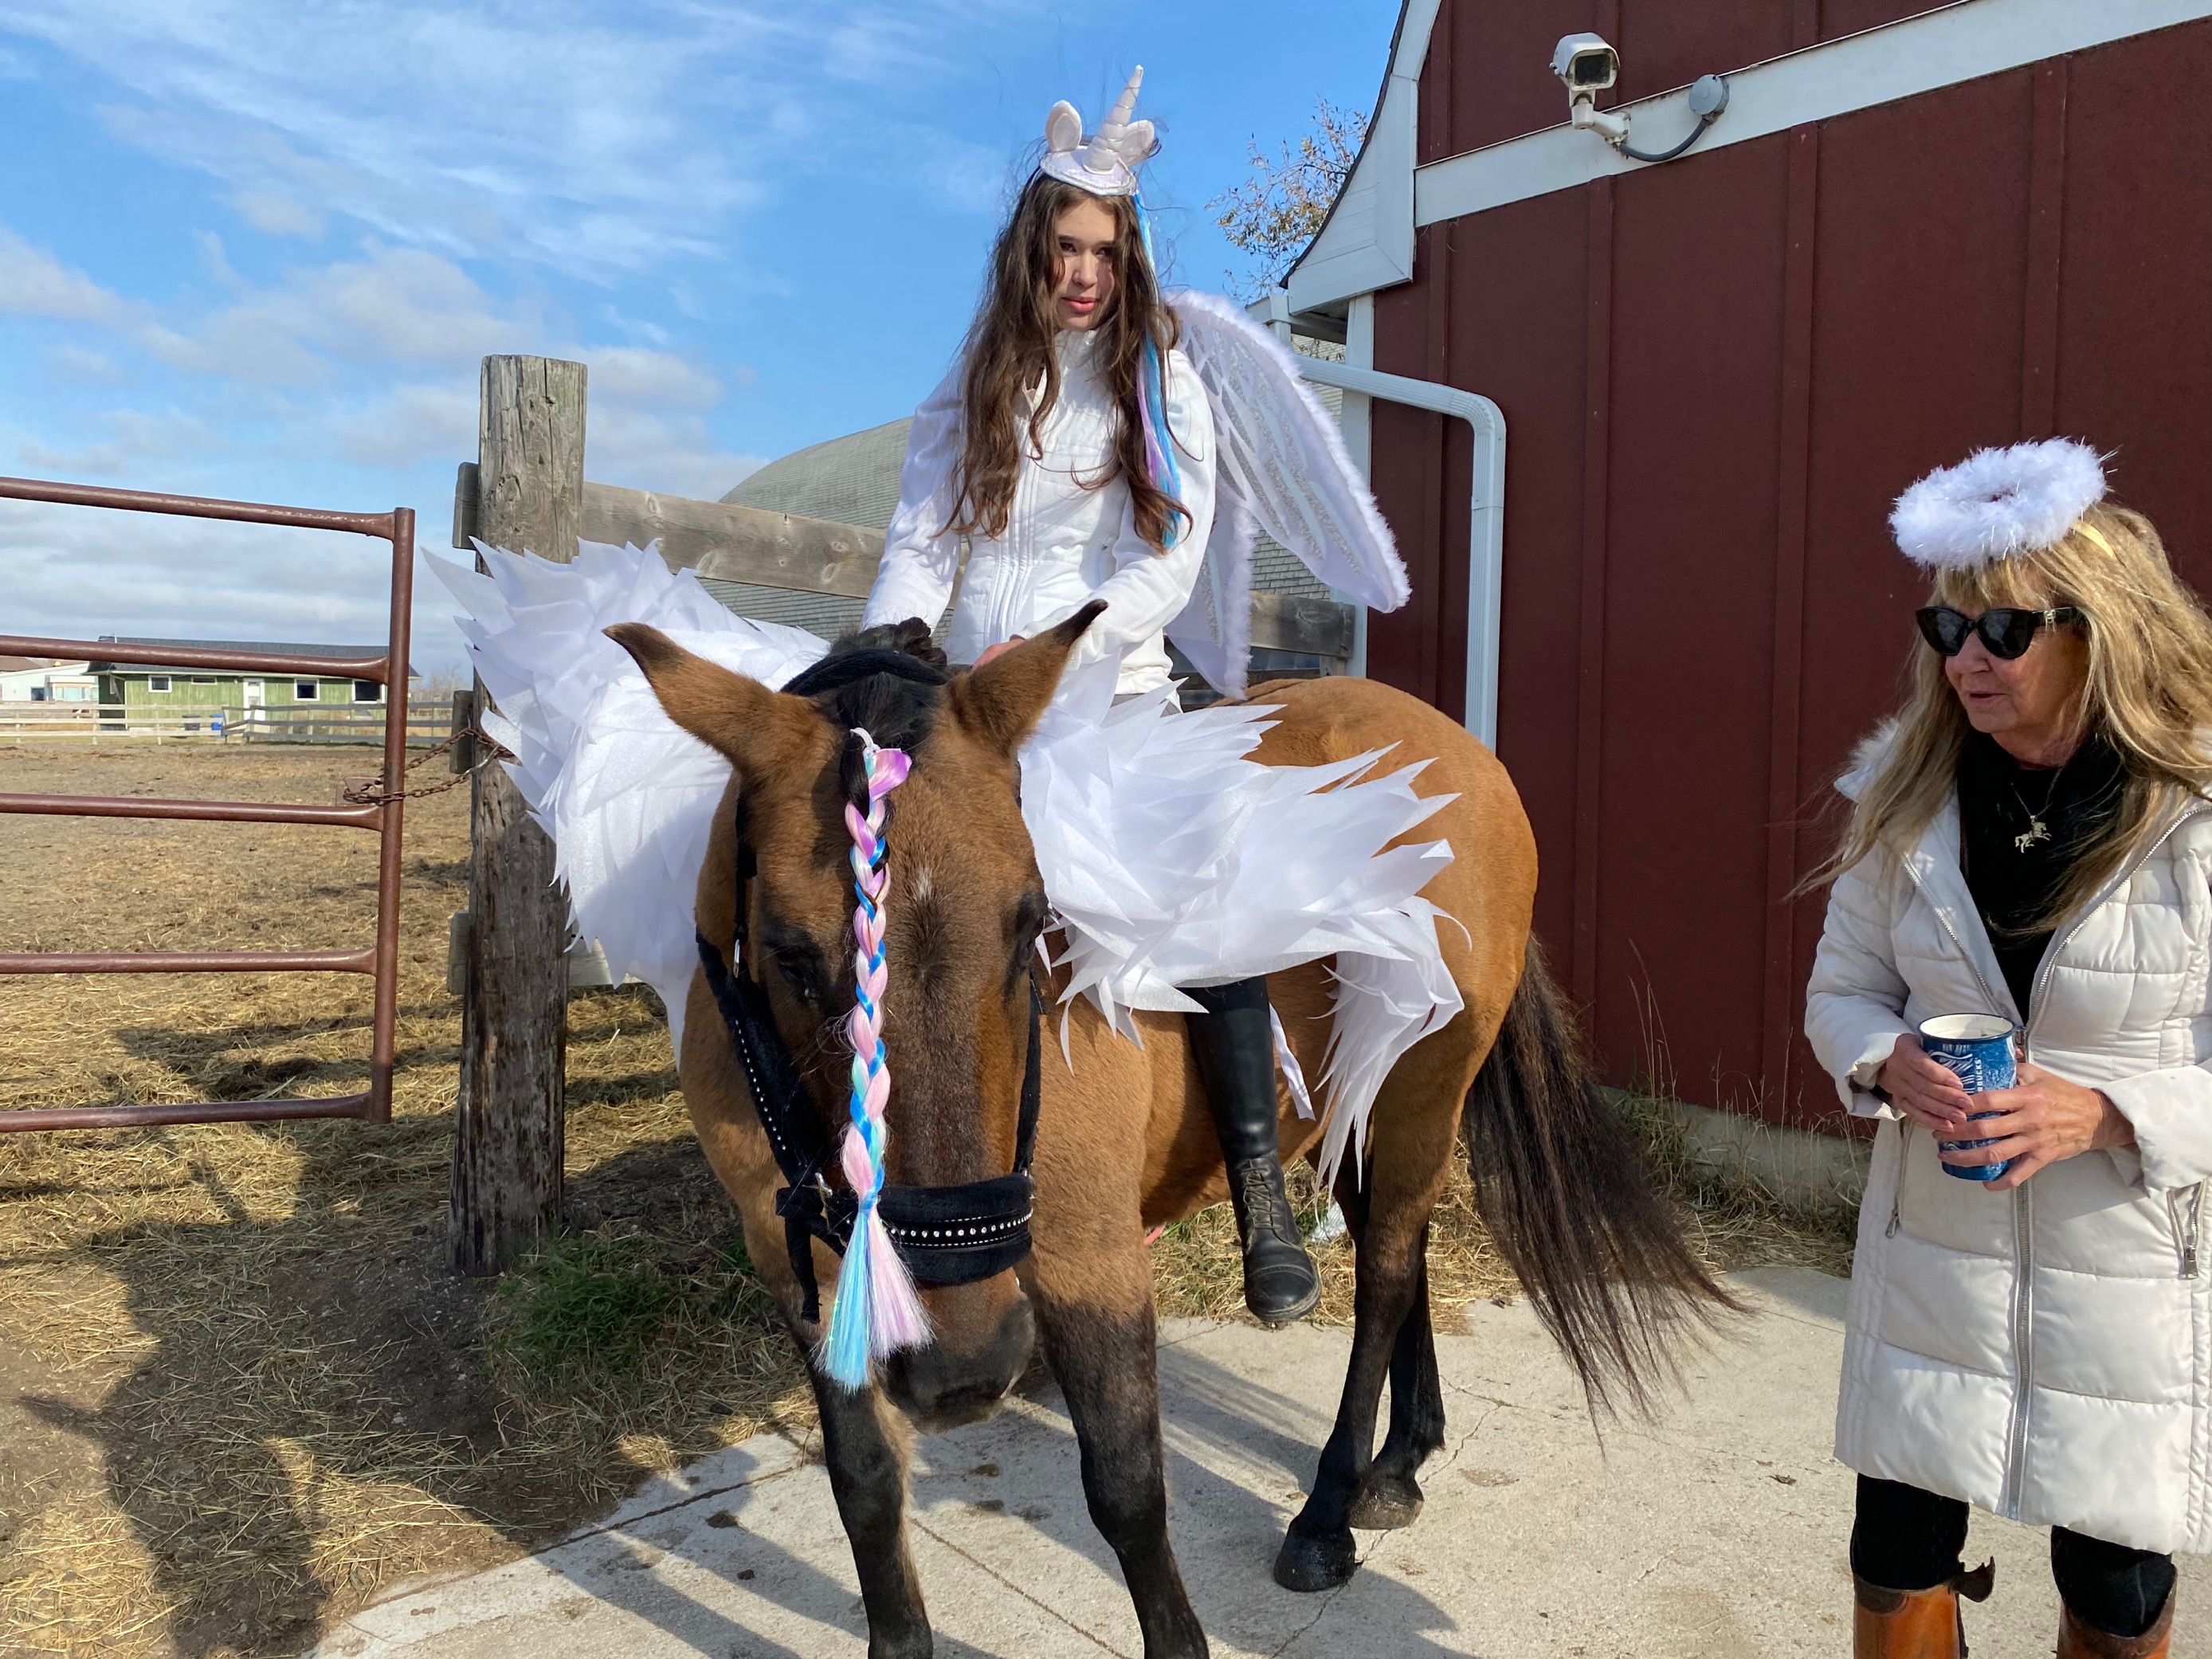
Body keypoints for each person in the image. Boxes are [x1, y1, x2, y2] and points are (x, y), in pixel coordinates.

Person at [860, 71, 1311, 1323]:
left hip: (1102, 689)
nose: (1083, 275)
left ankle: (1264, 1186)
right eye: (1065, 248)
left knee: (1201, 886)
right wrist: (894, 645)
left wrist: (1057, 653)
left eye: (1104, 253)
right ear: (1032, 248)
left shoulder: (1160, 383)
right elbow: (925, 535)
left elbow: (1164, 559)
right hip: (966, 704)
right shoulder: (976, 377)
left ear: (1131, 260)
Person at [1805, 437, 2212, 1657]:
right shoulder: (1904, 800)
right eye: (1948, 629)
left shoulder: (2194, 819)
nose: (1965, 659)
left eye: (2003, 632)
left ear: (2100, 630)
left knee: (2116, 1589)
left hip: (2124, 1281)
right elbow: (1842, 993)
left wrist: (2109, 1113)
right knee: (1895, 1566)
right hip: (1936, 1263)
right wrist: (1887, 1062)